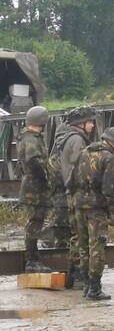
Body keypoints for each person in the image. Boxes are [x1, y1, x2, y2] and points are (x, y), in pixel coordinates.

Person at [70, 126, 114, 301]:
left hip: (79, 207)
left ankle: (86, 285)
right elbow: (110, 188)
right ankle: (95, 288)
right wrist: (113, 212)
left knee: (83, 247)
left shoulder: (83, 153)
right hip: (96, 210)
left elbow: (70, 181)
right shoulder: (108, 158)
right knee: (96, 249)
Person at [48, 105, 97, 289]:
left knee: (74, 234)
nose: (92, 125)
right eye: (90, 122)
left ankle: (71, 274)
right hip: (77, 193)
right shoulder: (77, 140)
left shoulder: (66, 137)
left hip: (68, 192)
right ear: (81, 124)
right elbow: (81, 168)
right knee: (80, 236)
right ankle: (78, 275)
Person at [17, 105, 51, 272]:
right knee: (34, 224)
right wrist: (45, 176)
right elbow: (33, 160)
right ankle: (31, 260)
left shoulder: (29, 137)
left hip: (32, 187)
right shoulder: (31, 139)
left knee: (35, 223)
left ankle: (33, 257)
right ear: (42, 122)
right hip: (34, 188)